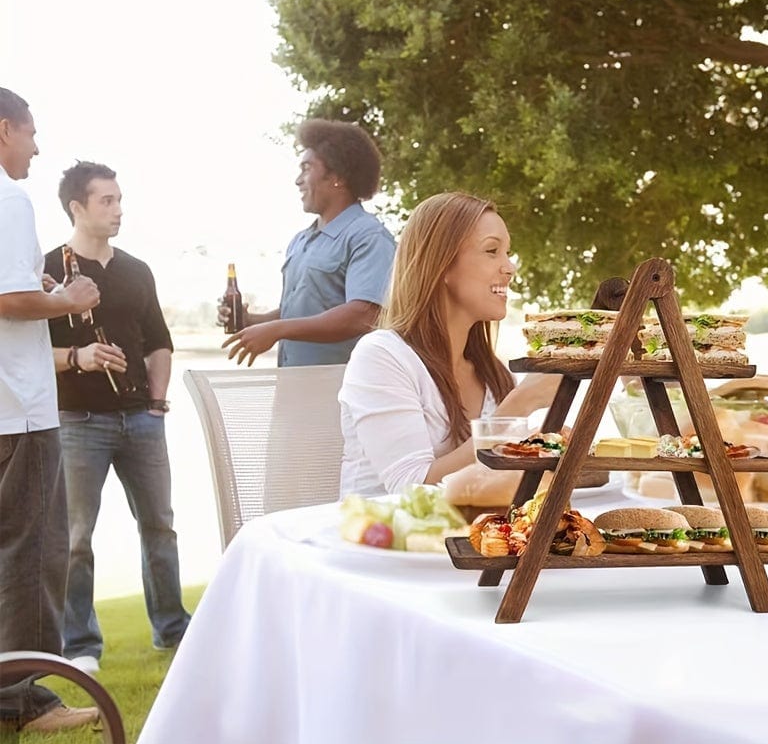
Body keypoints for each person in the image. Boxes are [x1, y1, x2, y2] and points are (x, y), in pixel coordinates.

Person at [44, 161, 191, 676]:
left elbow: (159, 343)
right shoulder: (47, 272)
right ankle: (80, 646)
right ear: (76, 208)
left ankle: (173, 630)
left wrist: (156, 402)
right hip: (77, 421)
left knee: (160, 527)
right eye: (106, 201)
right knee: (76, 536)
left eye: (119, 199)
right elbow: (28, 353)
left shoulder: (136, 270)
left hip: (142, 421)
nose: (118, 209)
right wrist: (78, 358)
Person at [339, 191, 560, 498]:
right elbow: (411, 488)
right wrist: (520, 405)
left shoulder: (494, 375)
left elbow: (498, 484)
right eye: (492, 251)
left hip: (468, 541)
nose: (510, 267)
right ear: (441, 264)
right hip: (379, 540)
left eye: (508, 252)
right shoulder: (382, 356)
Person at [0, 88, 101, 733]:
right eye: (30, 133)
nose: (36, 147)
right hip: (21, 410)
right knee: (31, 555)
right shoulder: (9, 198)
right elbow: (9, 300)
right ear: (4, 129)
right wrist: (68, 297)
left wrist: (33, 286)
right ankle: (26, 702)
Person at [222, 118, 396, 366]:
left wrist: (278, 330)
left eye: (306, 168)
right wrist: (252, 322)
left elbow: (362, 315)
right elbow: (298, 312)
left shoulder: (368, 237)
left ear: (337, 177)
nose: (298, 180)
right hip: (293, 387)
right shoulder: (301, 241)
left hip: (340, 393)